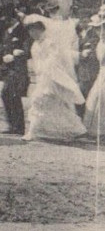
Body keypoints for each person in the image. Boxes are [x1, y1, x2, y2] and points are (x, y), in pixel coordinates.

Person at [23, 14, 86, 142]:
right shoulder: (35, 44)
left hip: (51, 76)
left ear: (42, 29)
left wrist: (46, 69)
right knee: (51, 105)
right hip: (41, 76)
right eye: (30, 31)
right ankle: (67, 130)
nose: (33, 33)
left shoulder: (49, 42)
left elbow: (54, 58)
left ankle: (32, 132)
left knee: (37, 100)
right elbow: (36, 60)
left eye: (35, 30)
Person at [0, 6, 29, 135]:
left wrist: (15, 56)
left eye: (5, 18)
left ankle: (18, 127)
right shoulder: (8, 31)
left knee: (13, 95)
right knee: (6, 95)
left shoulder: (23, 31)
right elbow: (4, 48)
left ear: (12, 18)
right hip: (8, 69)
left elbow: (28, 50)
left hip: (18, 69)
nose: (3, 20)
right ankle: (13, 125)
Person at [83, 10, 105, 138]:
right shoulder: (100, 42)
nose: (99, 32)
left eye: (101, 28)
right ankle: (96, 131)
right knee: (95, 99)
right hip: (102, 73)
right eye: (97, 29)